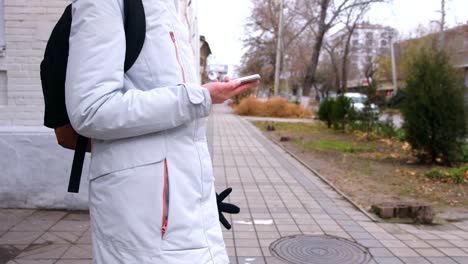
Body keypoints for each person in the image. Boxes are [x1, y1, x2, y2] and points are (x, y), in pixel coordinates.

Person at [65, 0, 259, 263]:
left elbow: (168, 112)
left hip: (184, 205)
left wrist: (199, 195)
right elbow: (91, 109)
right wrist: (197, 97)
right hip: (144, 223)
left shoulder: (170, 10)